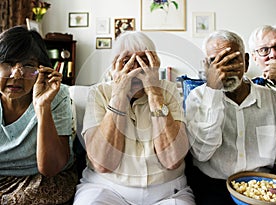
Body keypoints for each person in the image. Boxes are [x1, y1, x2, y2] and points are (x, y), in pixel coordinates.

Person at [73, 31, 195, 205]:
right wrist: (119, 95)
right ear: (114, 67)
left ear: (155, 63)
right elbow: (103, 164)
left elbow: (172, 160)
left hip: (167, 192)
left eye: (143, 60)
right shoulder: (99, 93)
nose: (136, 69)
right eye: (126, 62)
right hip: (106, 188)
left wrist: (154, 93)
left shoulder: (169, 90)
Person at [185, 29, 276, 205]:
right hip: (213, 186)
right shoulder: (198, 97)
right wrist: (213, 91)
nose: (225, 69)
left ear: (246, 62)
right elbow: (202, 153)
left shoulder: (273, 100)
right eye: (215, 62)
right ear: (206, 67)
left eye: (232, 60)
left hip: (261, 185)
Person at [0, 26, 77, 204]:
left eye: (28, 65)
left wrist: (43, 106)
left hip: (39, 178)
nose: (17, 74)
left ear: (41, 70)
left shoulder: (58, 95)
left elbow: (50, 168)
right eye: (7, 63)